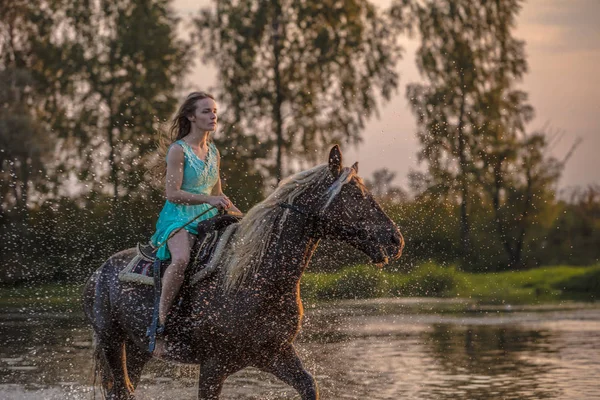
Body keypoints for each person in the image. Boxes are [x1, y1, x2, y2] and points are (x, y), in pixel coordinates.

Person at [150, 91, 240, 356]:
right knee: (181, 260)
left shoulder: (213, 151)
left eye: (214, 111)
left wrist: (248, 218)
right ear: (191, 116)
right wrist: (209, 199)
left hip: (209, 217)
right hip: (179, 217)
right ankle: (160, 323)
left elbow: (220, 196)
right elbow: (172, 194)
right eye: (206, 111)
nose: (213, 116)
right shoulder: (178, 151)